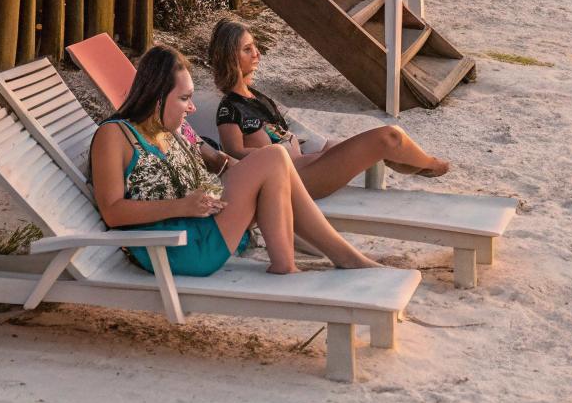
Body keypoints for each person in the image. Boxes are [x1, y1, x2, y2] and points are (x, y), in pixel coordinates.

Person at [90, 44, 377, 277]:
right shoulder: (114, 135)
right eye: (185, 98)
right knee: (274, 156)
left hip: (201, 224)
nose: (192, 107)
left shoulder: (171, 130)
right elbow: (112, 211)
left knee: (274, 164)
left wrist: (234, 179)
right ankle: (332, 258)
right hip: (176, 247)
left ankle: (293, 263)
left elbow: (212, 161)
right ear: (157, 99)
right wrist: (183, 206)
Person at [209, 19, 449, 195]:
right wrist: (276, 155)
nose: (257, 53)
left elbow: (286, 136)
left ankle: (414, 164)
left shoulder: (257, 97)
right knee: (388, 137)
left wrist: (317, 149)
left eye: (254, 46)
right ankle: (431, 165)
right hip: (297, 179)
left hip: (308, 164)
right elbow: (233, 154)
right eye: (247, 49)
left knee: (375, 144)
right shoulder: (229, 109)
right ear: (231, 57)